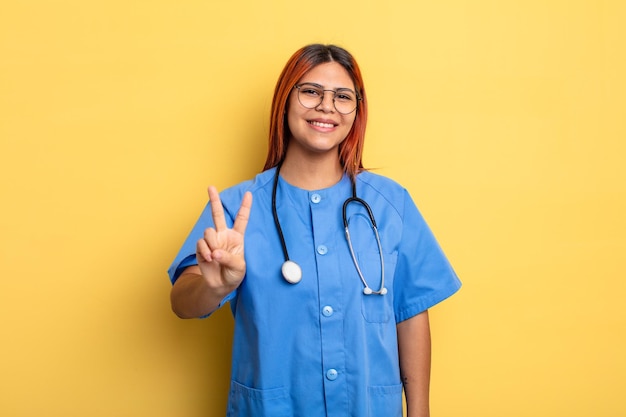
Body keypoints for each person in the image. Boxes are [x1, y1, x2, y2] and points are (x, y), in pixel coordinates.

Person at [168, 44, 461, 417]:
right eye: (310, 91)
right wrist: (214, 286)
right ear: (285, 100)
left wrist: (420, 413)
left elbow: (411, 313)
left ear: (357, 111)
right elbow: (181, 302)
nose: (326, 106)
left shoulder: (389, 203)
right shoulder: (236, 208)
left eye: (342, 97)